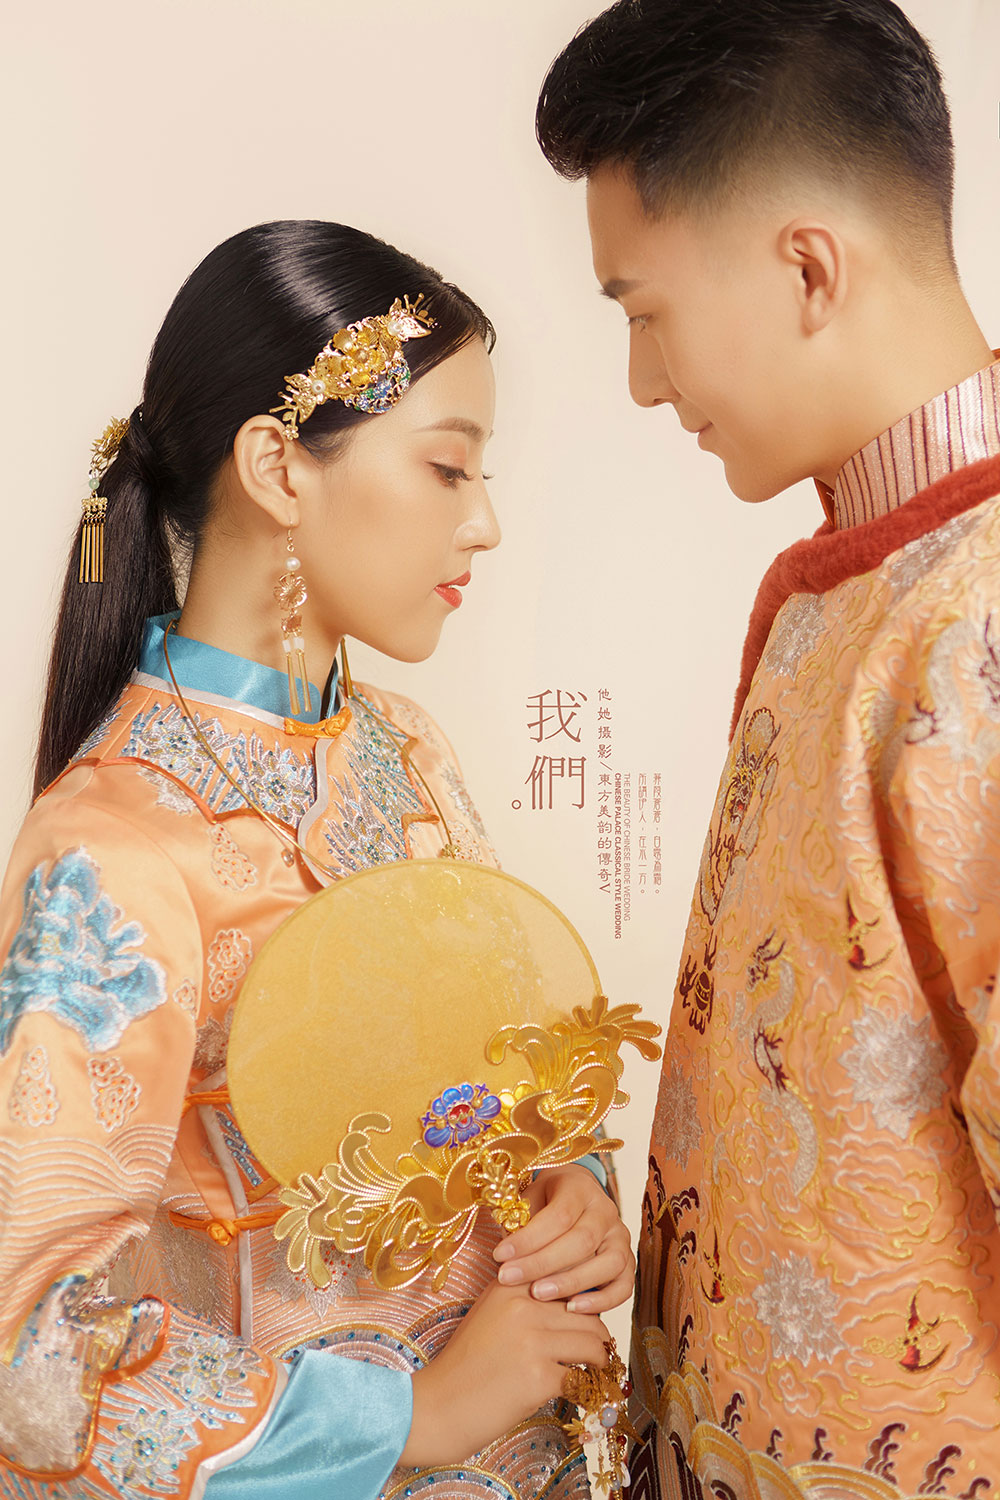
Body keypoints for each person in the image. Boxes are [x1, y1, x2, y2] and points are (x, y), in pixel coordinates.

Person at [0, 220, 635, 1500]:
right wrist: (407, 1415)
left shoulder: (408, 750)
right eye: (448, 467)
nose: (485, 523)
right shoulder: (112, 844)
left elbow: (499, 1078)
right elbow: (30, 1346)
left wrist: (569, 1188)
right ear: (277, 468)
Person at [535, 2, 1000, 1495]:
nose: (642, 381)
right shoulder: (851, 586)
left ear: (807, 268)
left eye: (643, 311)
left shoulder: (977, 603)